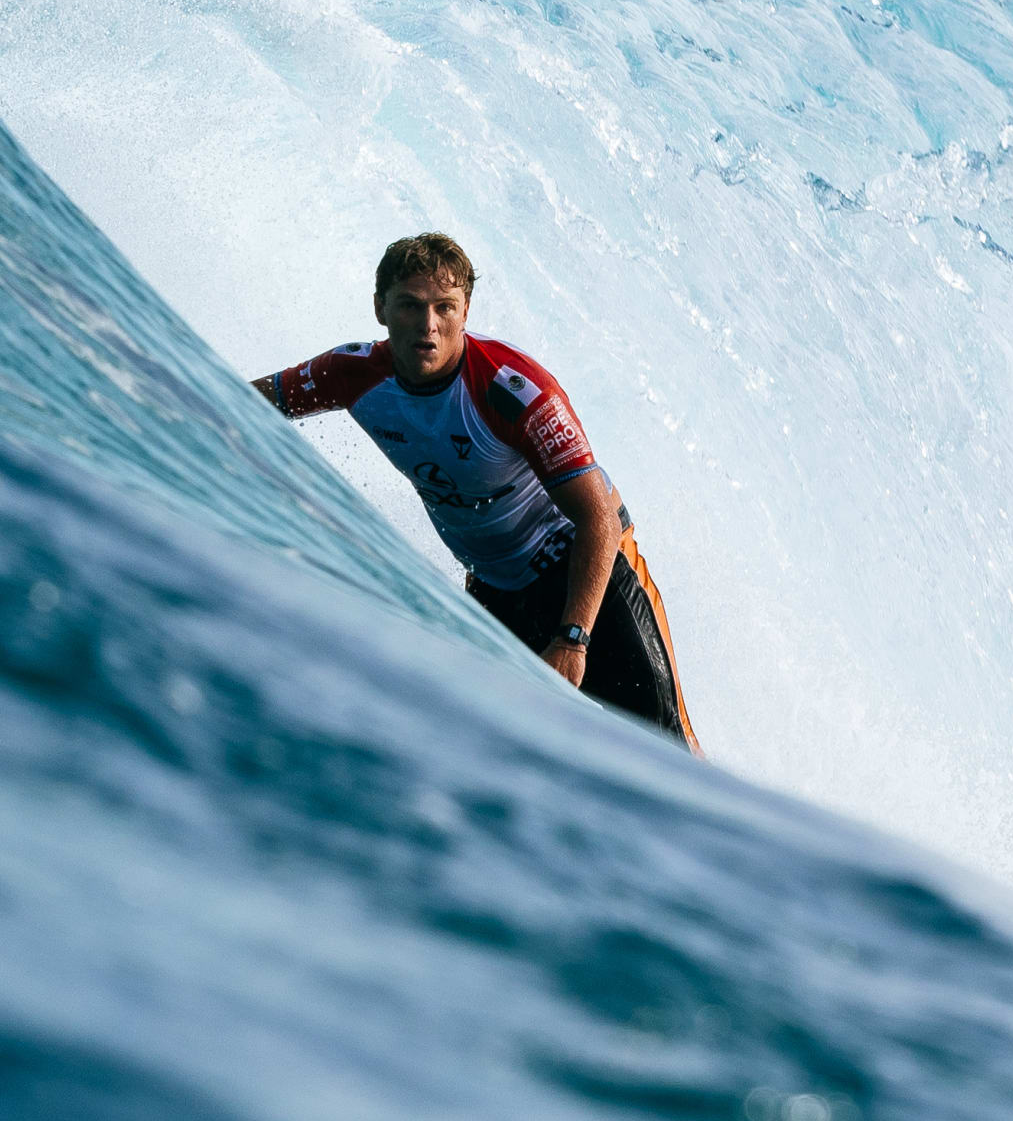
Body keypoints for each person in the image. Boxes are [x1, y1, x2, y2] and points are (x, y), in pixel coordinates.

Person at [252, 233, 699, 751]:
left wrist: (573, 638)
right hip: (494, 589)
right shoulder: (352, 375)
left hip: (590, 575)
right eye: (410, 306)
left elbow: (598, 519)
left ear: (466, 312)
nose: (428, 325)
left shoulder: (513, 391)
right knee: (492, 749)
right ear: (380, 308)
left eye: (445, 307)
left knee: (668, 747)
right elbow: (245, 399)